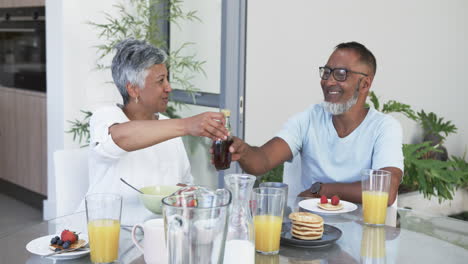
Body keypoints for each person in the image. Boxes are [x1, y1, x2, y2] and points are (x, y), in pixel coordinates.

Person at [224, 42, 403, 205]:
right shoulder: (309, 119)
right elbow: (261, 161)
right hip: (313, 233)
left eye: (341, 74)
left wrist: (321, 190)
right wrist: (242, 150)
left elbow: (386, 191)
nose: (328, 81)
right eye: (326, 72)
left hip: (367, 232)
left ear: (365, 84)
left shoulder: (384, 127)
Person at [80, 38, 228, 220]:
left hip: (157, 233)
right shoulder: (106, 117)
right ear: (133, 90)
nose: (169, 87)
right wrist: (187, 125)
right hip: (109, 233)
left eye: (167, 79)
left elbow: (184, 184)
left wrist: (190, 193)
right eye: (160, 81)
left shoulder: (169, 126)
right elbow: (120, 138)